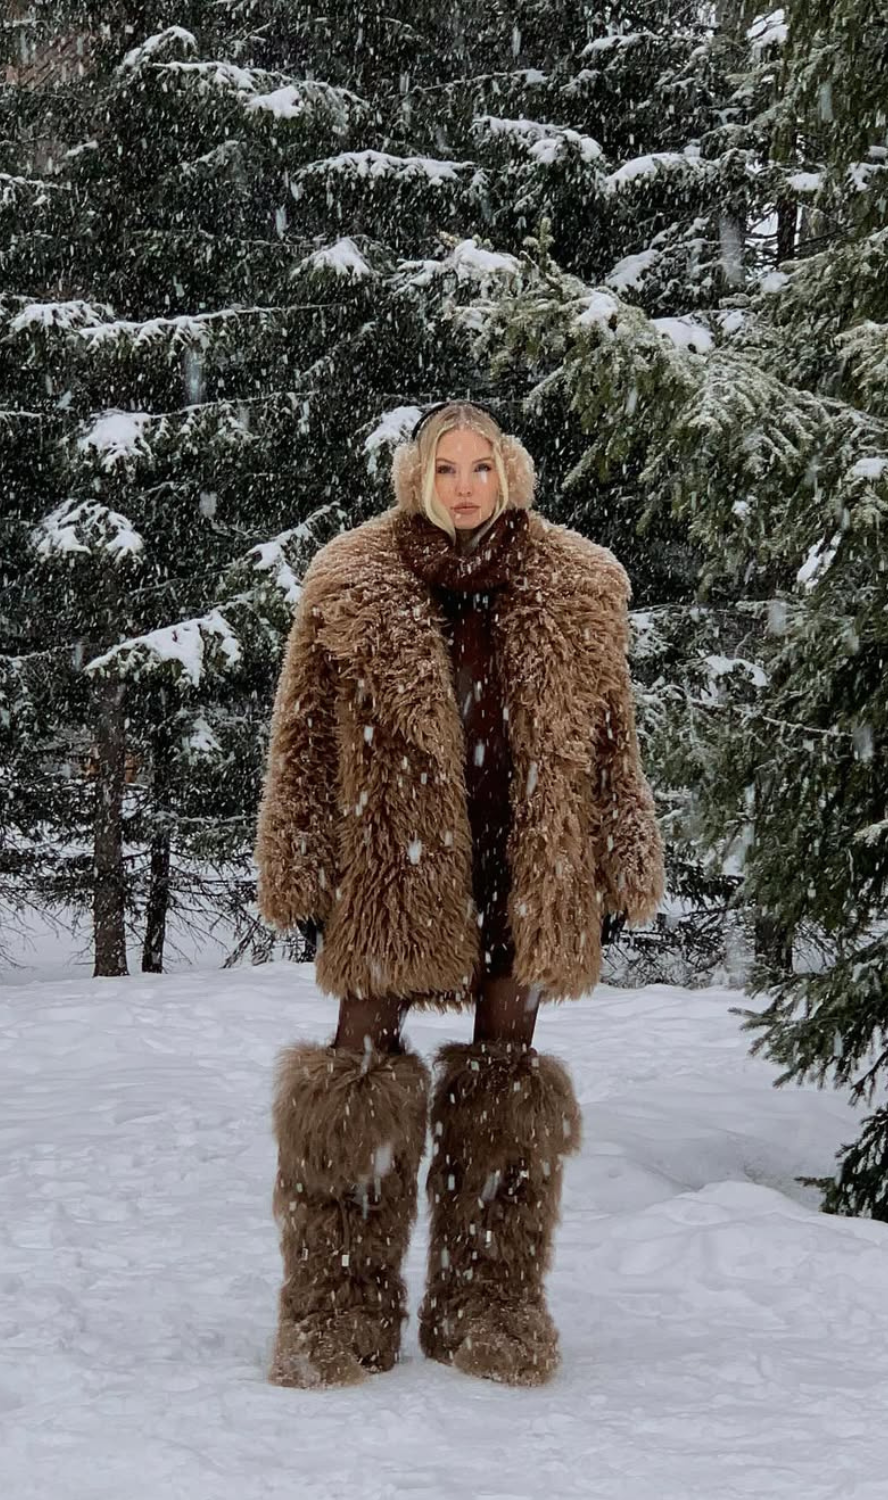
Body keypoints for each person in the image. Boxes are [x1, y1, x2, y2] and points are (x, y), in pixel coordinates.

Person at [254, 400, 664, 1389]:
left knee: (504, 1077)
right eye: (447, 468)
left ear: (510, 477)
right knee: (354, 1069)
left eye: (483, 466)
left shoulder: (577, 586)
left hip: (526, 858)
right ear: (417, 481)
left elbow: (612, 739)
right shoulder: (350, 584)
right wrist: (300, 867)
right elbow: (302, 739)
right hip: (396, 860)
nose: (466, 485)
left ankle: (488, 1301)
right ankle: (337, 1304)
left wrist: (619, 860)